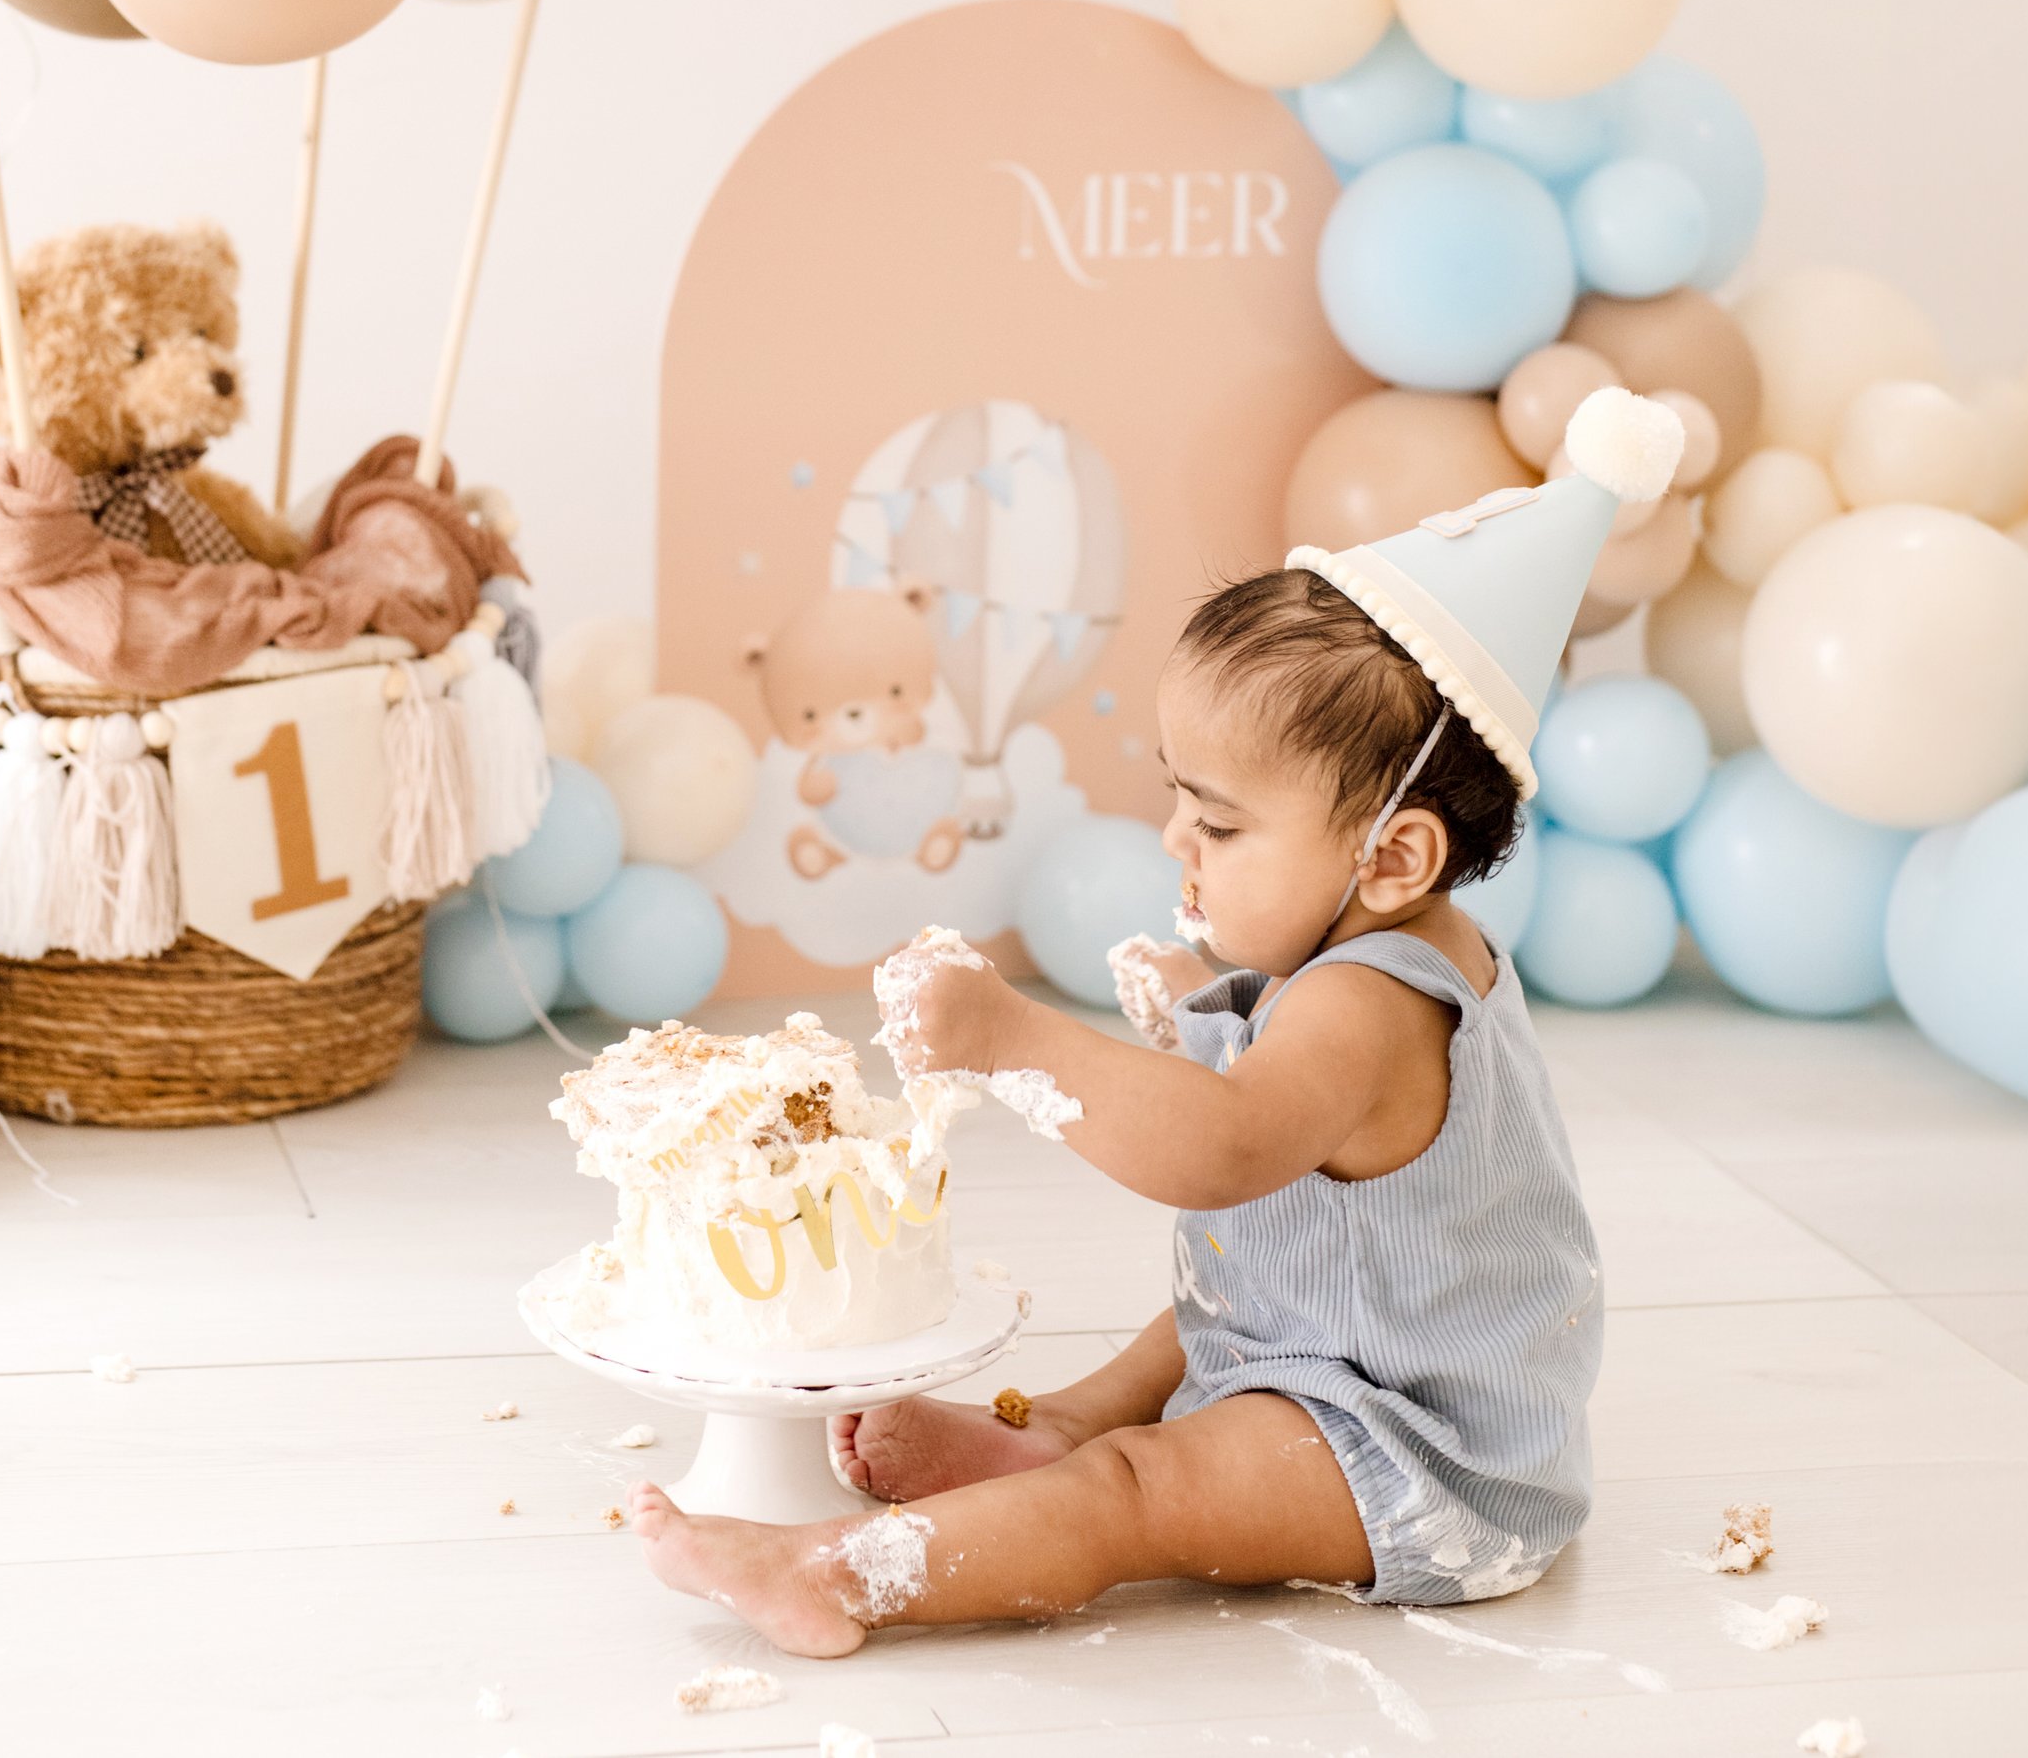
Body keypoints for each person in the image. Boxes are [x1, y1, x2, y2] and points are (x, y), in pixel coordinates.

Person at [628, 387, 1689, 1652]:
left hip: (1419, 1448)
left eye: (1223, 824)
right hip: (1328, 1352)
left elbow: (1224, 1148)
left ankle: (843, 1569)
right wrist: (1204, 1009)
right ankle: (1057, 1426)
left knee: (1136, 1497)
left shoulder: (1365, 1002)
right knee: (1204, 1313)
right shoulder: (1367, 946)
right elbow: (1291, 1155)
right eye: (1177, 800)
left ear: (1394, 854)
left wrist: (1015, 1036)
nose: (1178, 842)